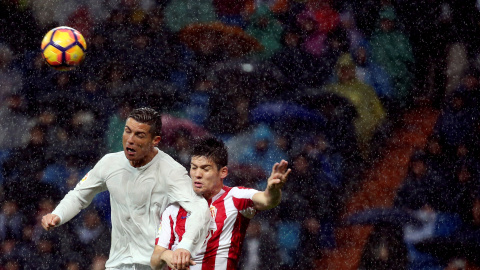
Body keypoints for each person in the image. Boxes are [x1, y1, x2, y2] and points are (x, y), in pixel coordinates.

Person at [41, 107, 211, 270]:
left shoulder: (171, 171)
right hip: (117, 264)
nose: (130, 139)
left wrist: (185, 246)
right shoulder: (109, 163)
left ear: (155, 141)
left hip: (152, 265)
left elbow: (200, 209)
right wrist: (58, 214)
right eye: (128, 131)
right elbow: (79, 195)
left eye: (139, 135)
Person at [150, 136, 291, 270]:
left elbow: (268, 200)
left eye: (205, 169)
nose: (197, 174)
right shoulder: (174, 208)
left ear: (223, 172)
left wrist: (273, 189)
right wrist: (166, 255)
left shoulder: (235, 197)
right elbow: (155, 261)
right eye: (194, 167)